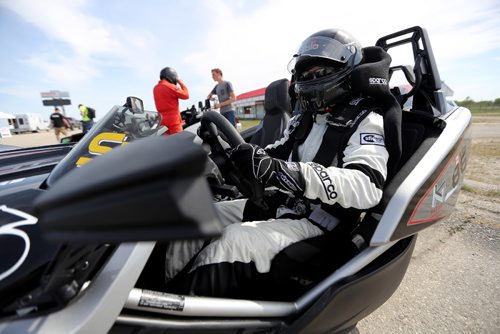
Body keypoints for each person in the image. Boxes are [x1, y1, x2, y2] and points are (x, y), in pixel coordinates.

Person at [166, 28, 394, 299]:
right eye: (305, 74)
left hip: (321, 223)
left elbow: (367, 186)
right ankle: (159, 294)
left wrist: (287, 173)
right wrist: (239, 157)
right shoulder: (304, 119)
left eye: (319, 74)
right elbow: (275, 153)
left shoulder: (366, 120)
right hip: (283, 205)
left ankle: (179, 318)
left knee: (230, 243)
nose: (310, 80)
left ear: (346, 72)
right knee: (194, 218)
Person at [153, 67, 189, 135]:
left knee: (167, 143)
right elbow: (186, 95)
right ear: (171, 76)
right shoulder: (170, 86)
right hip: (173, 120)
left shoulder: (155, 88)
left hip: (161, 121)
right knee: (178, 142)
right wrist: (180, 82)